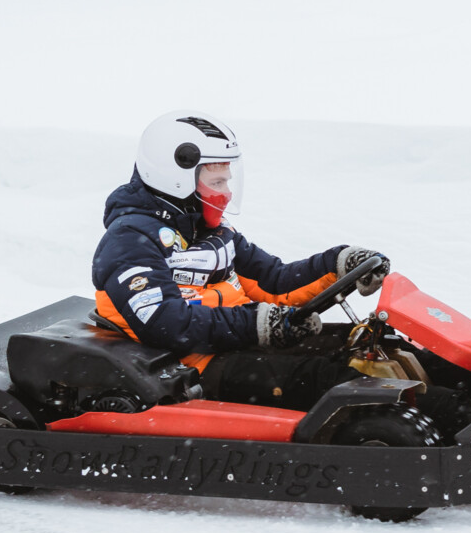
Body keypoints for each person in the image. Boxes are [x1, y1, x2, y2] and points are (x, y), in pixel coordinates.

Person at [91, 113, 388, 411]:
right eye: (217, 181)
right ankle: (398, 431)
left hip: (235, 343)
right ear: (177, 180)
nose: (227, 192)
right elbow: (166, 323)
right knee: (331, 380)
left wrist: (337, 263)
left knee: (363, 347)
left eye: (227, 180)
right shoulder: (129, 241)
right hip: (193, 368)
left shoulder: (214, 233)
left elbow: (274, 281)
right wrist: (255, 324)